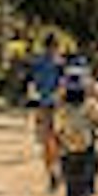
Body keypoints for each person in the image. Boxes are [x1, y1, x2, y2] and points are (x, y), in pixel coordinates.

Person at [55, 69, 98, 196]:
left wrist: (58, 150)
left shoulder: (62, 109)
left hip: (68, 151)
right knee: (87, 184)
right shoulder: (92, 106)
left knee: (72, 186)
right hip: (88, 150)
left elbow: (57, 131)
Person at [22, 37, 66, 182]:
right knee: (57, 139)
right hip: (57, 105)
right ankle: (56, 169)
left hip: (43, 104)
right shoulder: (60, 64)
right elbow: (63, 85)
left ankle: (51, 171)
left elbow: (31, 83)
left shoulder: (37, 63)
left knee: (47, 140)